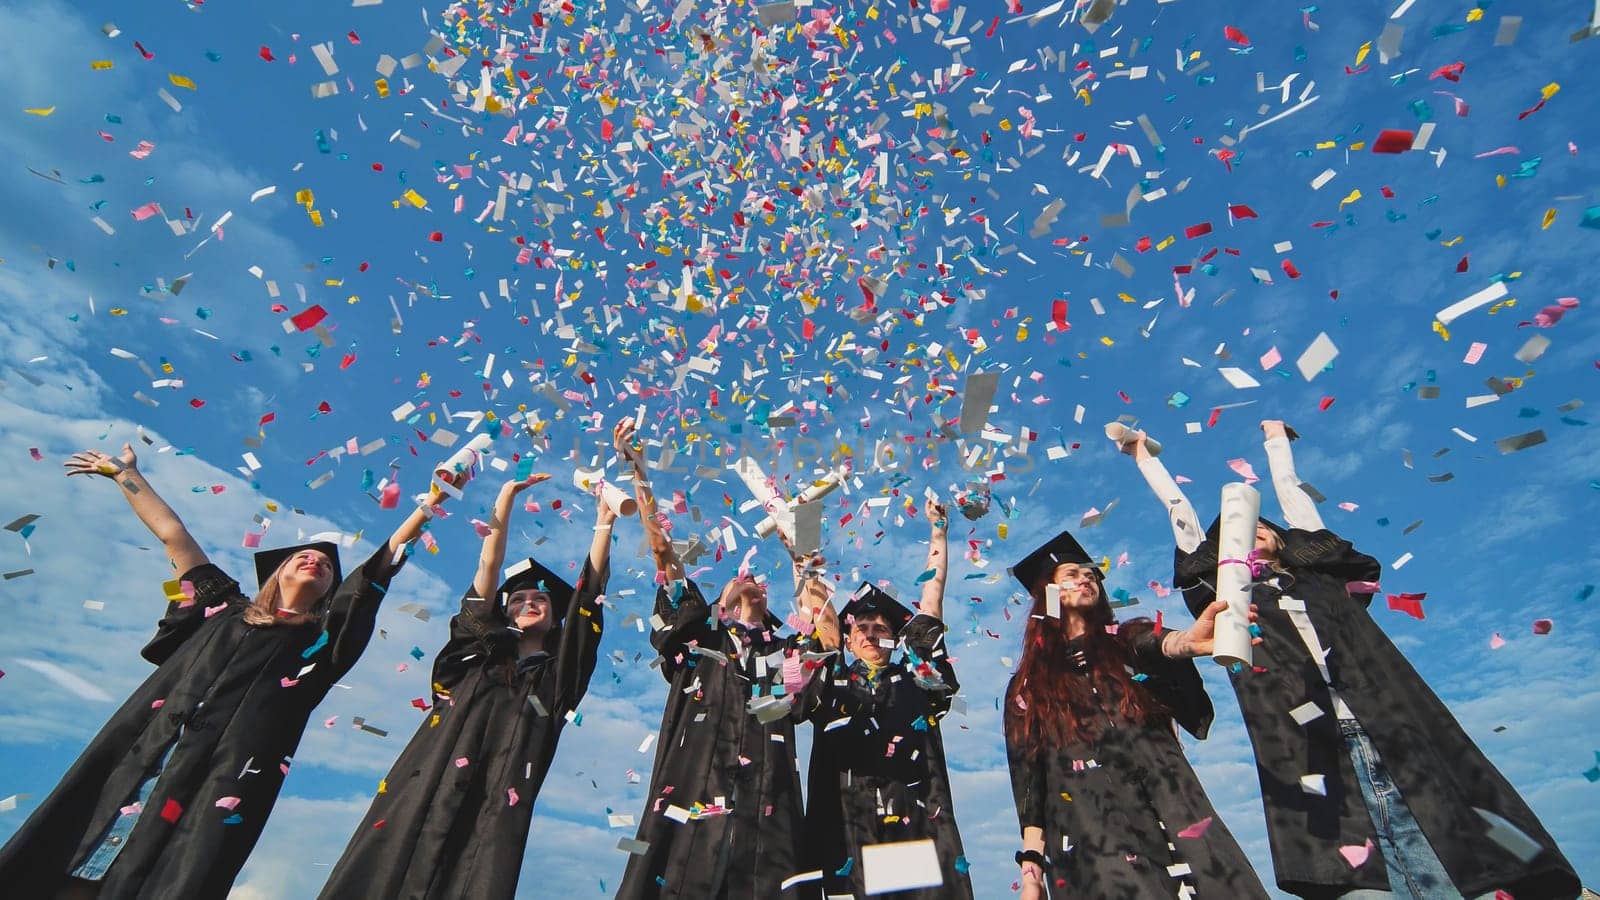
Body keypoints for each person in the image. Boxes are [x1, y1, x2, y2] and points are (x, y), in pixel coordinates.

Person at [1124, 420, 1580, 899]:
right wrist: (1143, 456)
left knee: (1445, 853)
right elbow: (1182, 515)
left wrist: (1276, 441)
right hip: (1310, 744)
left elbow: (1294, 497)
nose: (1253, 531)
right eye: (1243, 531)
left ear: (1283, 538)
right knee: (1363, 875)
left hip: (1389, 727)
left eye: (1263, 526)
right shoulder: (1229, 601)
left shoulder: (1323, 581)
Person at [0, 442, 444, 900]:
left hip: (216, 782)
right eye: (304, 556)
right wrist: (126, 475)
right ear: (278, 573)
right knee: (66, 863)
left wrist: (431, 504)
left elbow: (373, 576)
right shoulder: (219, 606)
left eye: (329, 567)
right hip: (141, 756)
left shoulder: (321, 647)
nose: (317, 560)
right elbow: (176, 537)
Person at [317, 424, 633, 899]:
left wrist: (604, 522)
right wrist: (504, 497)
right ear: (503, 612)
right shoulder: (471, 662)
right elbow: (488, 568)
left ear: (555, 616)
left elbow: (590, 596)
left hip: (495, 810)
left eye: (541, 600)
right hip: (424, 786)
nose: (531, 602)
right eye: (519, 598)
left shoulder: (557, 681)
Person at [614, 434, 838, 900]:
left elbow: (826, 638)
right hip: (691, 796)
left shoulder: (781, 654)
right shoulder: (699, 642)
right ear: (719, 603)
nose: (750, 579)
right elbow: (663, 555)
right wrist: (639, 473)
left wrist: (803, 553)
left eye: (756, 579)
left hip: (766, 812)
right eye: (740, 579)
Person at [1004, 528, 1269, 900]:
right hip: (1092, 831)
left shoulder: (1125, 642)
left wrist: (1185, 643)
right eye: (1072, 574)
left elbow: (1157, 644)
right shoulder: (1028, 686)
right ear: (1047, 592)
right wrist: (1032, 871)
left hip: (1173, 803)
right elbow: (1029, 781)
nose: (1087, 577)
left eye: (1091, 573)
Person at [801, 496, 973, 899]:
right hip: (844, 825)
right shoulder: (832, 681)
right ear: (848, 638)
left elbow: (930, 607)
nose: (871, 633)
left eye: (881, 627)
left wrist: (938, 533)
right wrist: (804, 546)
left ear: (895, 639)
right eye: (862, 627)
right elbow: (820, 617)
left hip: (909, 823)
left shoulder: (915, 680)